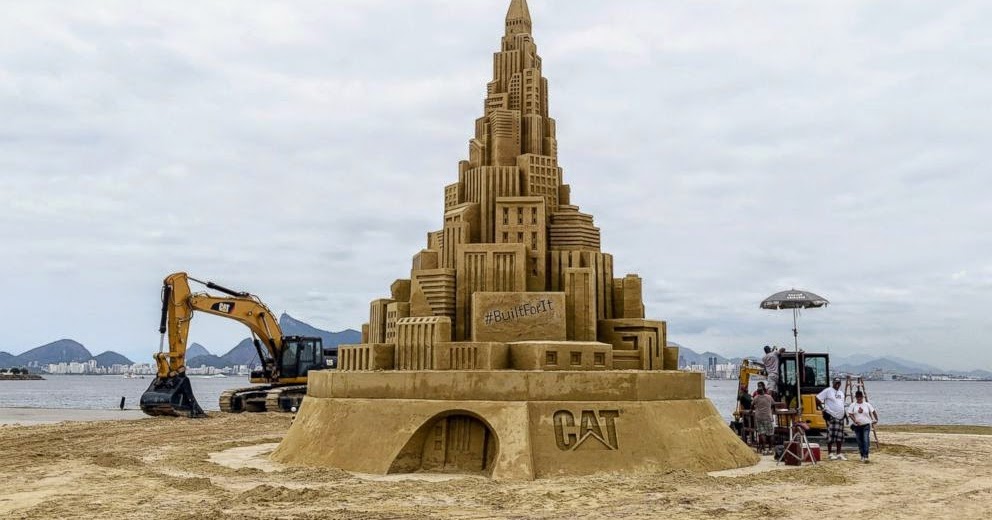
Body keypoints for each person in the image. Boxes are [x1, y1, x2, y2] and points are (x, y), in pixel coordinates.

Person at [816, 377, 847, 460]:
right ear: (833, 383)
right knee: (831, 435)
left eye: (839, 383)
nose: (837, 384)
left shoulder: (841, 393)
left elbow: (842, 404)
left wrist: (845, 415)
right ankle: (830, 453)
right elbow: (817, 399)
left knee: (839, 436)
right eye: (836, 383)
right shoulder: (828, 390)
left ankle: (839, 453)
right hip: (831, 416)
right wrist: (823, 409)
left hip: (841, 417)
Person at [847, 390, 879, 463]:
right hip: (857, 426)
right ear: (856, 397)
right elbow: (850, 413)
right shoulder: (853, 405)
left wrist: (876, 419)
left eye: (860, 397)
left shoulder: (867, 404)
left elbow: (873, 411)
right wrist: (854, 420)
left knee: (866, 440)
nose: (859, 399)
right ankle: (862, 455)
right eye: (857, 397)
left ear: (862, 397)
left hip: (866, 425)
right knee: (859, 441)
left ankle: (866, 456)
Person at [751, 386, 776, 455]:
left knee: (762, 433)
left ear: (758, 392)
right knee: (771, 434)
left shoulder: (756, 398)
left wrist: (751, 410)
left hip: (759, 418)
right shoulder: (769, 397)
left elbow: (752, 405)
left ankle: (764, 450)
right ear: (764, 391)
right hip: (768, 417)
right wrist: (773, 410)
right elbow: (773, 404)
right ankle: (770, 449)